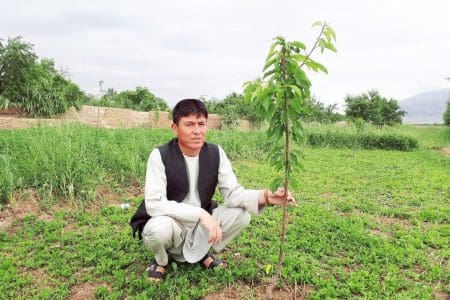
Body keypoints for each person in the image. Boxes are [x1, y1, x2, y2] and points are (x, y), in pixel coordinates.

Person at [130, 98, 295, 282]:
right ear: (175, 128)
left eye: (201, 124)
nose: (197, 131)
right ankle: (162, 260)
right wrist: (200, 214)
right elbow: (154, 204)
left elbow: (233, 194)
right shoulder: (160, 155)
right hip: (171, 221)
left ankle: (200, 253)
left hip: (202, 222)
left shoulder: (216, 153)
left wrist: (267, 196)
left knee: (242, 215)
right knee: (157, 231)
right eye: (189, 124)